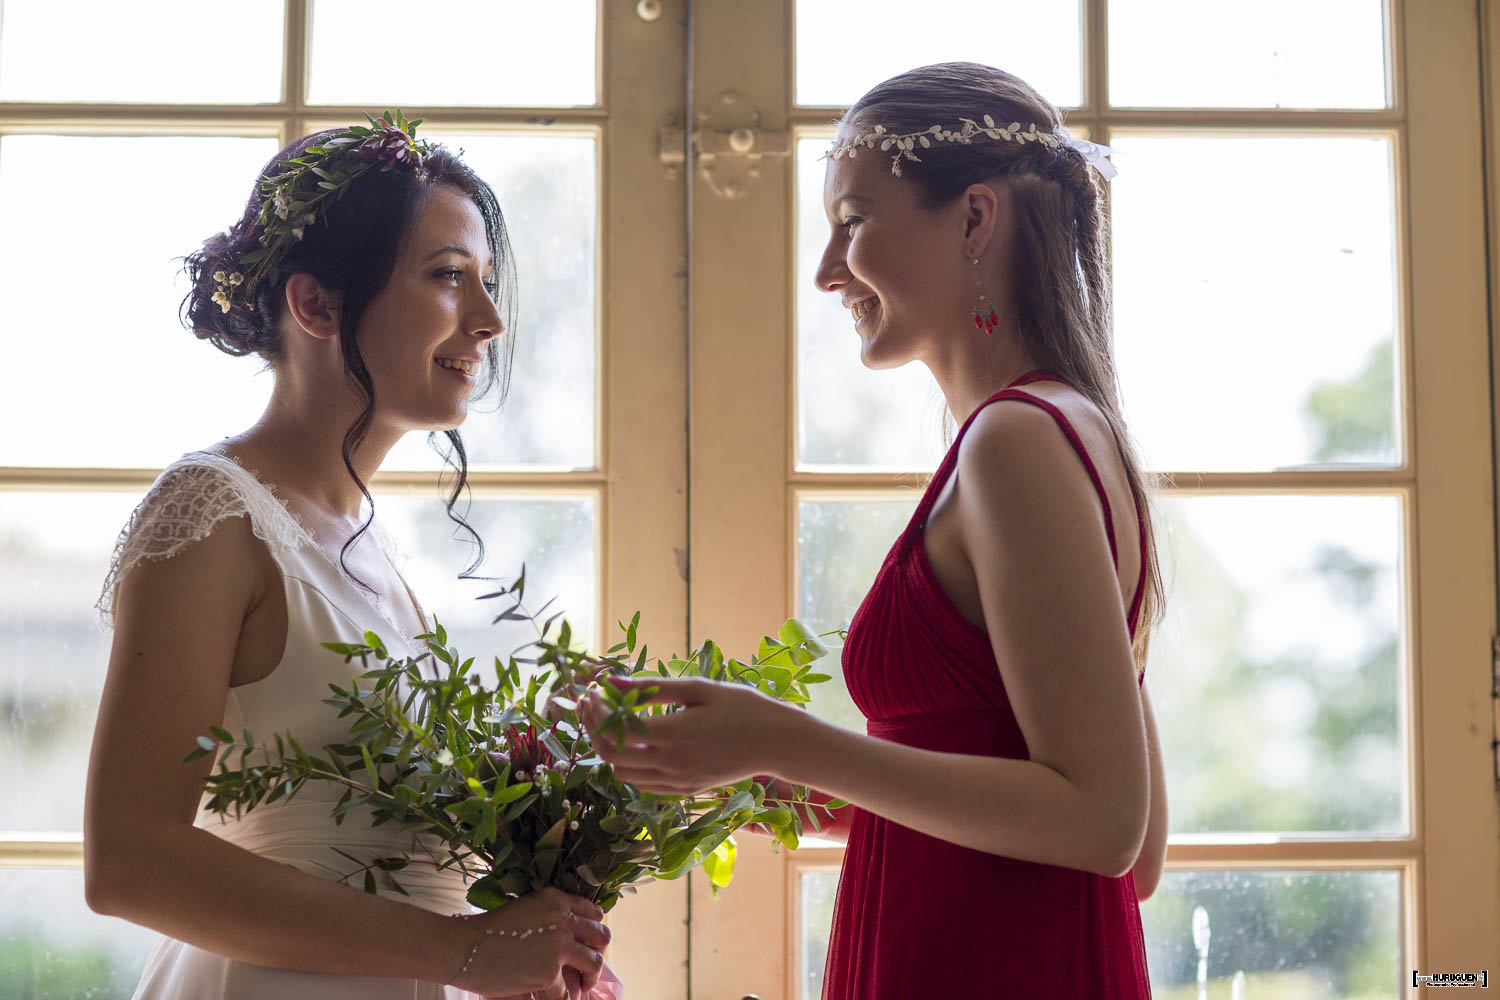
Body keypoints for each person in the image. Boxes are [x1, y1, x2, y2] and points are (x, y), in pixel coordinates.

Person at [580, 63, 1167, 998]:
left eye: (851, 221)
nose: (825, 271)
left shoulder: (1017, 441)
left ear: (976, 219)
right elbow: (1129, 846)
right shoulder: (1066, 430)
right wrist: (787, 782)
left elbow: (1107, 827)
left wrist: (789, 741)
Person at [84, 119, 616, 1000]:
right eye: (449, 277)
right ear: (317, 306)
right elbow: (129, 863)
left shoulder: (369, 551)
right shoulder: (211, 513)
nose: (488, 321)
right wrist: (465, 951)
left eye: (485, 282)